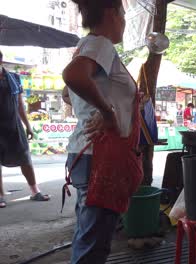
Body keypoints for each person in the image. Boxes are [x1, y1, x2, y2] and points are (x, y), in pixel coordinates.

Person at [62, 0, 133, 262]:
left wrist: (112, 103)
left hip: (87, 153)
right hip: (99, 155)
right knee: (93, 245)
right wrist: (107, 113)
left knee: (89, 237)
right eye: (123, 14)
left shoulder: (87, 44)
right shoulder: (101, 43)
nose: (125, 21)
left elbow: (67, 94)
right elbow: (73, 77)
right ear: (111, 13)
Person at [0, 50, 50, 208]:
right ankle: (0, 195)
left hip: (14, 125)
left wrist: (28, 126)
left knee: (25, 158)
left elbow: (20, 105)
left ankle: (35, 191)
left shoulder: (13, 78)